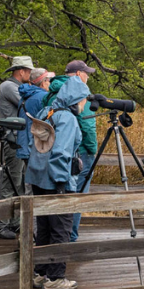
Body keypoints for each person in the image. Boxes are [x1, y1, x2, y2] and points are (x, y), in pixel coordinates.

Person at [25, 76, 90, 289]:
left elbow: (33, 145)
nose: (84, 104)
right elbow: (61, 153)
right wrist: (62, 183)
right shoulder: (68, 119)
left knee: (44, 229)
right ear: (75, 100)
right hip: (57, 182)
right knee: (61, 230)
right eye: (83, 100)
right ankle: (56, 278)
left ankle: (41, 273)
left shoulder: (47, 112)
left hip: (38, 180)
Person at [45, 60, 97, 241]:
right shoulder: (78, 92)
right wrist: (92, 150)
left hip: (50, 152)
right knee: (76, 194)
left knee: (51, 198)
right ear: (77, 74)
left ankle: (54, 237)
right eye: (86, 73)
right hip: (78, 151)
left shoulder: (54, 90)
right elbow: (88, 124)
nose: (88, 77)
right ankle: (70, 236)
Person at [0, 55, 33, 239]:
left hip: (20, 140)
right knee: (10, 182)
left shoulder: (17, 87)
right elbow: (28, 105)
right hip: (13, 140)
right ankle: (1, 225)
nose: (30, 74)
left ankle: (15, 222)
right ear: (21, 71)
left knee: (20, 182)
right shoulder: (9, 87)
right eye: (29, 71)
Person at [16, 68, 54, 164]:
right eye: (49, 80)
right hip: (35, 147)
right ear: (43, 82)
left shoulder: (25, 96)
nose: (50, 83)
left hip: (23, 145)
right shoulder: (43, 97)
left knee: (29, 176)